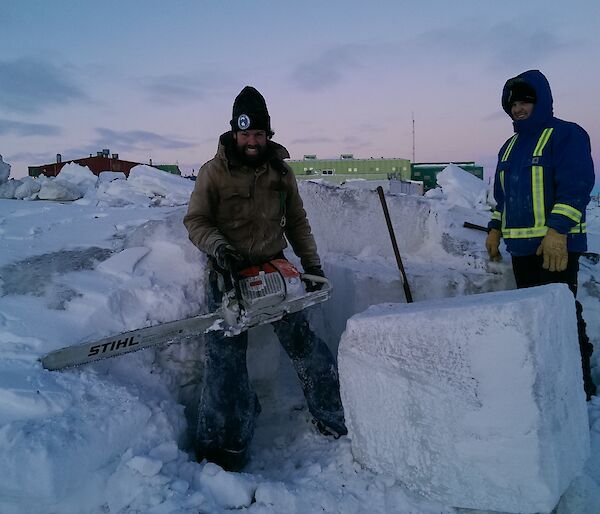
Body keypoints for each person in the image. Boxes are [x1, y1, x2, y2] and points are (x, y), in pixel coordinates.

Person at [183, 86, 347, 471]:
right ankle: (223, 448)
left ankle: (334, 416)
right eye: (245, 134)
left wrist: (312, 266)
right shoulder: (213, 172)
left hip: (275, 270)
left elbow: (299, 223)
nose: (252, 141)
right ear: (234, 133)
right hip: (228, 274)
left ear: (267, 134)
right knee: (225, 360)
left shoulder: (281, 173)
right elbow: (196, 221)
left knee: (305, 345)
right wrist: (219, 247)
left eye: (259, 134)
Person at [486, 69, 596, 400]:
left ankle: (580, 386)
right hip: (521, 250)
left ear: (541, 101)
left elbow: (576, 186)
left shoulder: (566, 135)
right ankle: (548, 381)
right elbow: (502, 198)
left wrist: (558, 232)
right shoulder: (509, 147)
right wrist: (494, 230)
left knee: (561, 316)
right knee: (534, 317)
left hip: (555, 247)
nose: (518, 109)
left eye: (524, 102)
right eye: (513, 105)